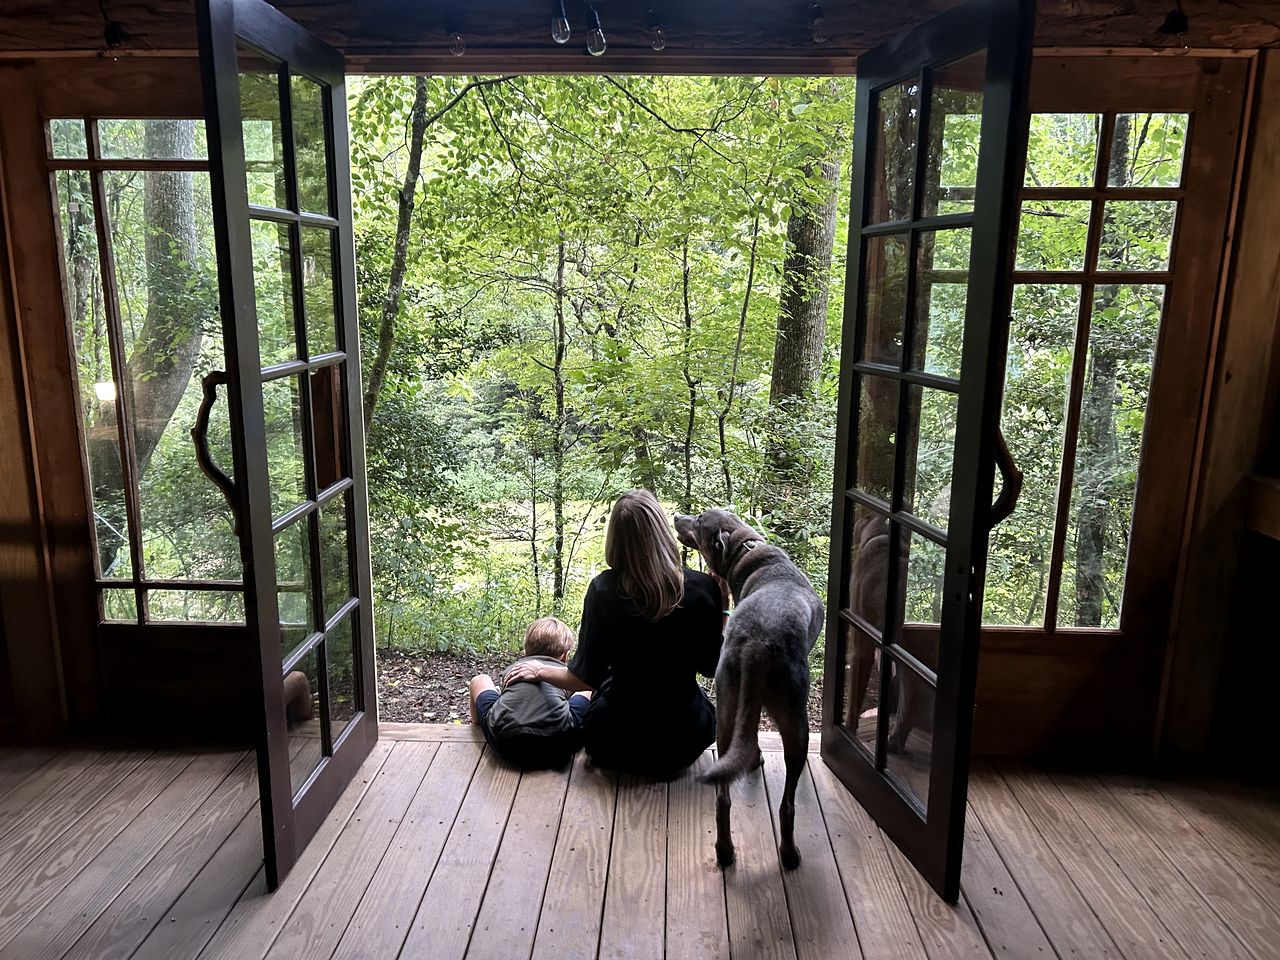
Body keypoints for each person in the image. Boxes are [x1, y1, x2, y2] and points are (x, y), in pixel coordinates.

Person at [505, 489, 725, 779]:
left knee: (608, 683)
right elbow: (711, 667)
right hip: (683, 740)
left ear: (616, 539)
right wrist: (722, 609)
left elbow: (583, 678)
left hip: (613, 741)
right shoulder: (701, 589)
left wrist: (539, 669)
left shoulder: (603, 589)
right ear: (662, 532)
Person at [469, 616, 592, 769]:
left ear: (525, 652)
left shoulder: (514, 669)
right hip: (558, 744)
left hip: (505, 741)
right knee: (586, 687)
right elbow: (581, 685)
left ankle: (477, 721)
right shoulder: (564, 673)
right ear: (565, 655)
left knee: (480, 679)